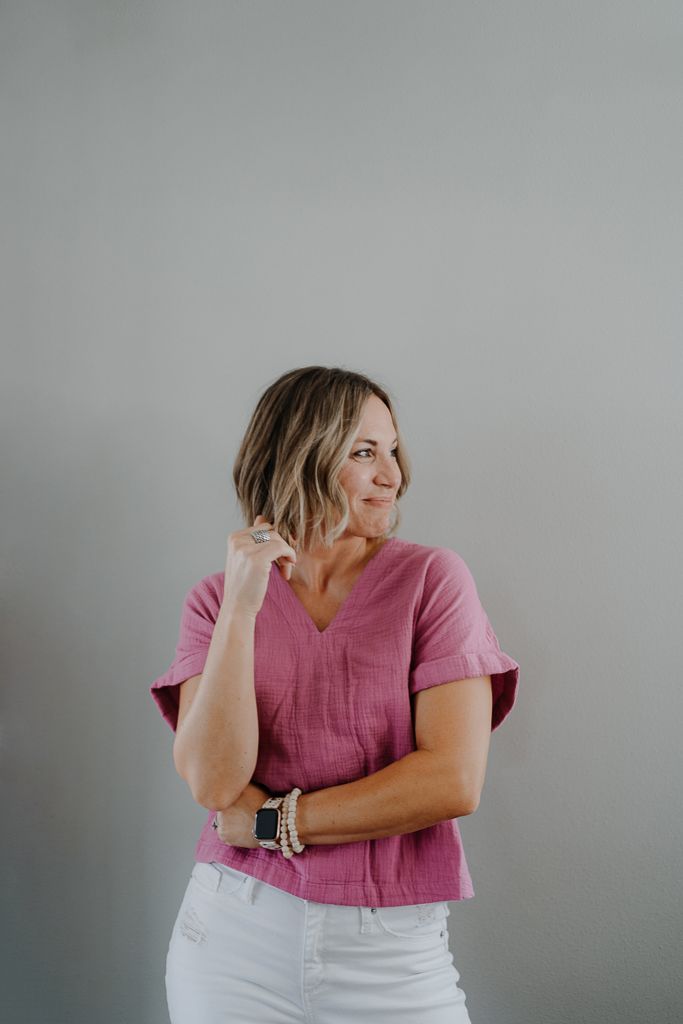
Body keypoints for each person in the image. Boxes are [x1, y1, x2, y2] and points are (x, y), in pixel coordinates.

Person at [150, 365, 520, 1023]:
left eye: (392, 451)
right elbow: (212, 783)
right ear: (300, 454)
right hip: (233, 937)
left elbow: (450, 780)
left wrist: (272, 822)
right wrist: (240, 607)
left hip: (389, 952)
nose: (393, 476)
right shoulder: (215, 600)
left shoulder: (430, 580)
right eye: (363, 452)